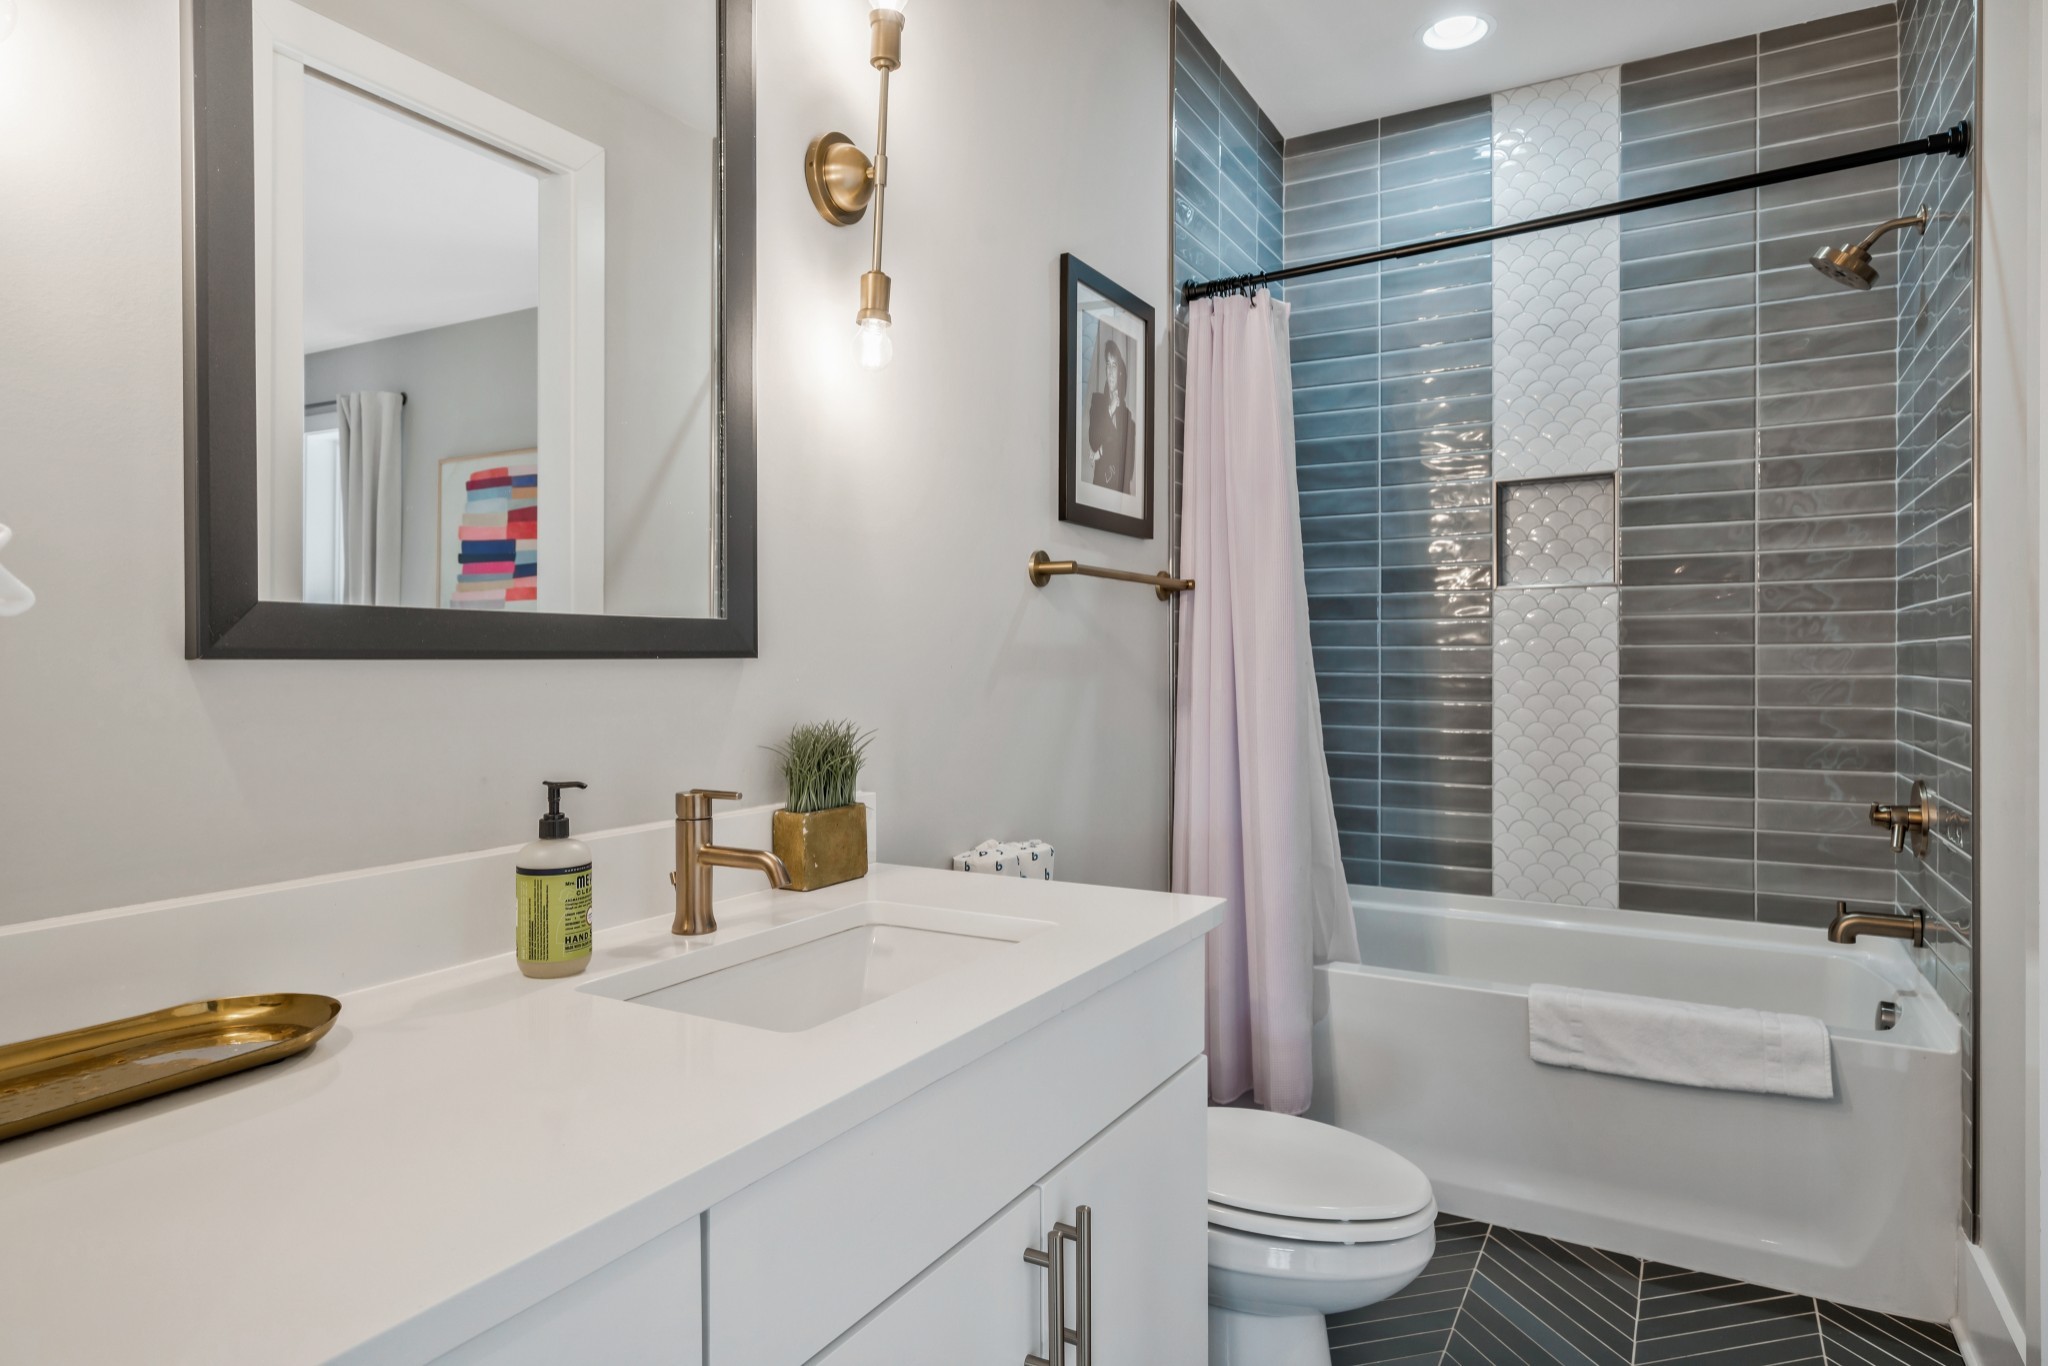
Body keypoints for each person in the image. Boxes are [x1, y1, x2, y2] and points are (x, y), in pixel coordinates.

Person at [1087, 337, 1137, 494]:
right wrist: (1110, 409)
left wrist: (1100, 453)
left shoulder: (1128, 417)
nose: (1110, 371)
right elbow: (1094, 439)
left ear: (1120, 372)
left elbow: (1127, 468)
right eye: (1107, 365)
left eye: (1114, 365)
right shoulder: (1097, 402)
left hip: (1121, 494)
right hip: (1100, 488)